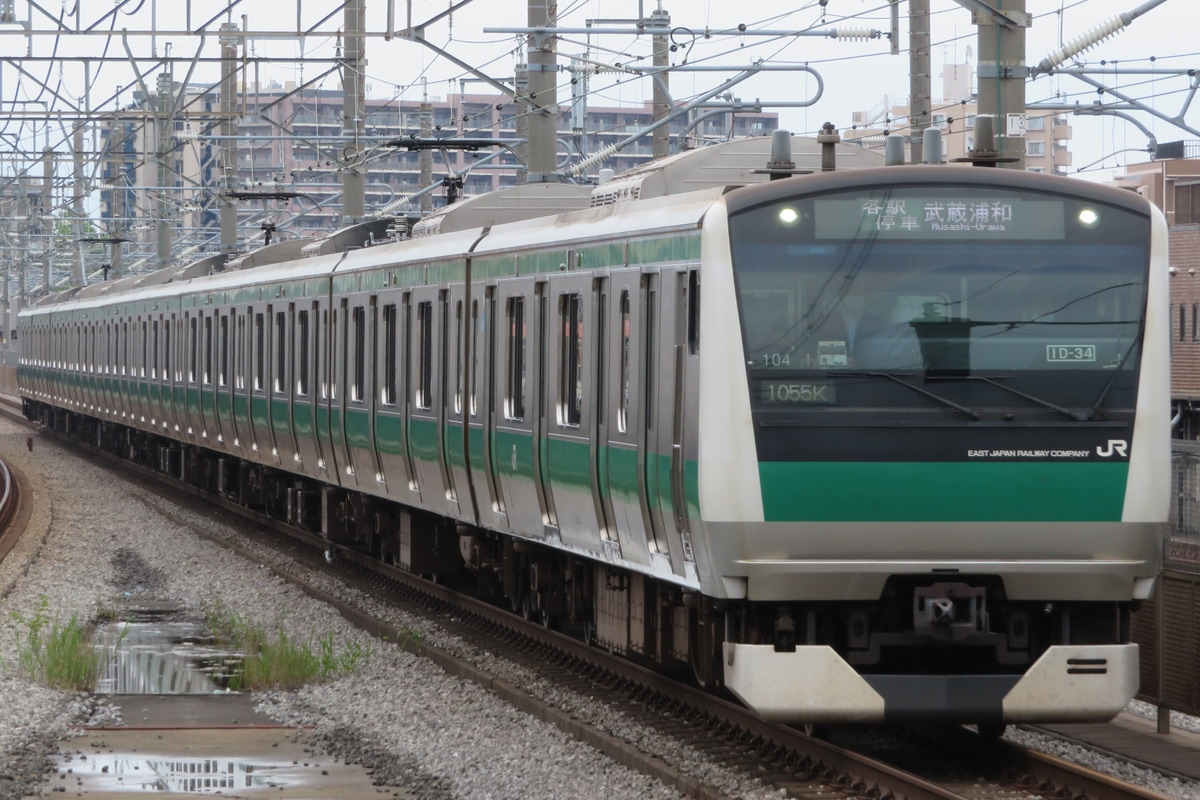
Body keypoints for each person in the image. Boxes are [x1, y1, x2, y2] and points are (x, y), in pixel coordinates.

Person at [803, 291, 921, 370]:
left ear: (864, 299)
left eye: (857, 295)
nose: (853, 299)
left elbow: (882, 349)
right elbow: (814, 345)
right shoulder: (828, 320)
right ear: (842, 297)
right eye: (849, 294)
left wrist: (861, 362)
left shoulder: (877, 321)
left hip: (868, 375)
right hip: (831, 375)